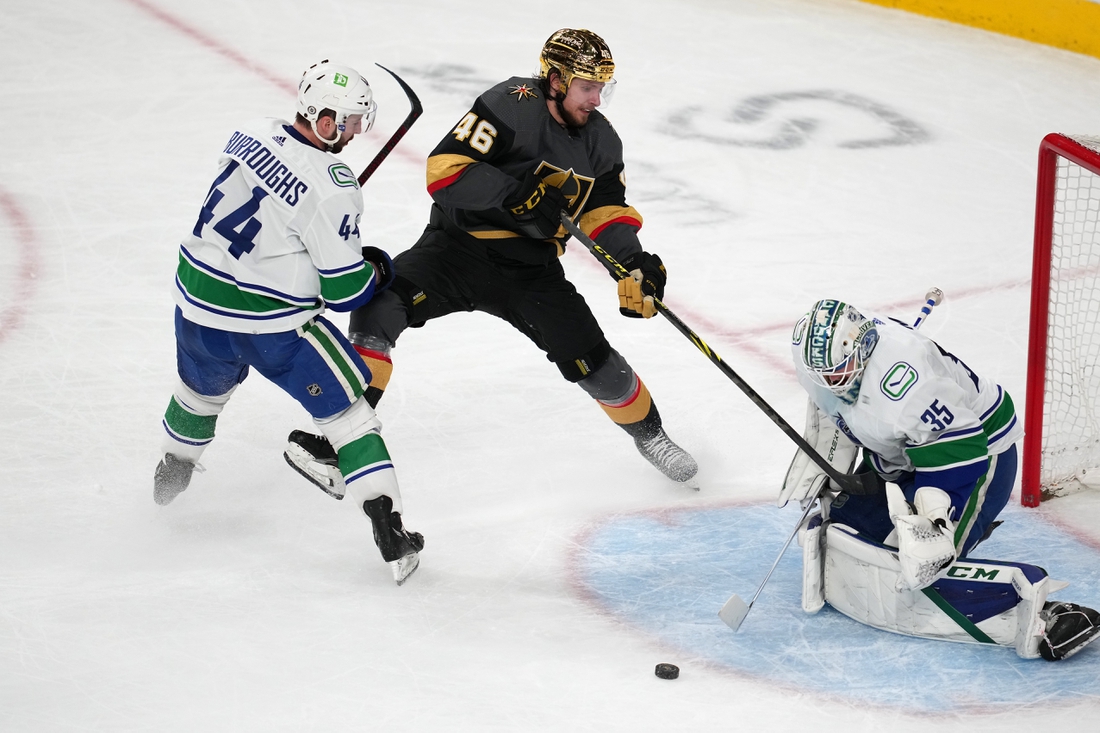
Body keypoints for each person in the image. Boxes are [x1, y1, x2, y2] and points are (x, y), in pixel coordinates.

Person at [284, 29, 698, 496]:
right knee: (377, 309)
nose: (597, 99)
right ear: (557, 80)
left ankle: (653, 438)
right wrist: (514, 196)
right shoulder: (510, 103)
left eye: (603, 87)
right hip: (454, 249)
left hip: (530, 271)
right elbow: (444, 170)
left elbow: (605, 210)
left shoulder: (602, 142)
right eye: (588, 86)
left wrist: (633, 262)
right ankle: (339, 445)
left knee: (594, 360)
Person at [155, 60, 423, 585]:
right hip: (271, 326)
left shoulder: (247, 137)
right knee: (351, 420)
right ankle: (391, 536)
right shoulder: (334, 185)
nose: (352, 135)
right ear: (324, 120)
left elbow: (266, 224)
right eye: (348, 123)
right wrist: (376, 267)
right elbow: (345, 292)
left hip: (197, 309)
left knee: (198, 398)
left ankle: (166, 488)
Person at [781, 297, 1100, 660]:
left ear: (864, 347)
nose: (831, 383)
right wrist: (832, 441)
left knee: (922, 563)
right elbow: (833, 398)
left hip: (976, 457)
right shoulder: (819, 358)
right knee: (841, 528)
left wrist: (932, 516)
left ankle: (1047, 614)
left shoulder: (909, 385)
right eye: (823, 376)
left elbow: (961, 452)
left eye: (838, 374)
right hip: (902, 450)